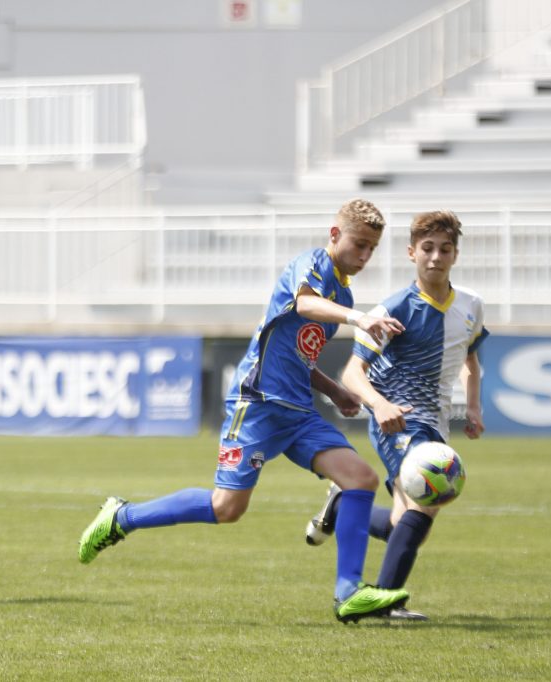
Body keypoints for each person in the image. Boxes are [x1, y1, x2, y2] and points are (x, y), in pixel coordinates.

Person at [78, 199, 412, 623]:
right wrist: (358, 319)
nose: (364, 256)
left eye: (371, 249)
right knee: (227, 508)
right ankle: (121, 517)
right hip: (256, 404)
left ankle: (348, 592)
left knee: (360, 478)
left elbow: (299, 355)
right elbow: (305, 304)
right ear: (334, 235)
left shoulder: (343, 292)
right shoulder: (311, 265)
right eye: (358, 244)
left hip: (298, 412)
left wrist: (335, 392)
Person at [303, 210, 488, 621]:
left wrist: (473, 407)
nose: (435, 257)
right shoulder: (393, 309)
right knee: (427, 501)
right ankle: (386, 601)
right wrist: (379, 405)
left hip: (436, 422)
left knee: (408, 519)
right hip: (398, 419)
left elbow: (470, 361)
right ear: (411, 253)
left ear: (456, 254)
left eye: (444, 249)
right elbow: (352, 372)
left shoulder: (472, 306)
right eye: (427, 249)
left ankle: (340, 506)